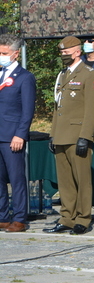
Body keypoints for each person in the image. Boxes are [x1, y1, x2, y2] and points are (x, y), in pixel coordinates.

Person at [43, 37, 94, 235]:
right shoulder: (62, 75)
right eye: (62, 53)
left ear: (77, 52)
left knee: (82, 180)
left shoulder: (89, 74)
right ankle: (67, 217)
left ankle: (83, 219)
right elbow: (57, 107)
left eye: (66, 52)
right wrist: (53, 134)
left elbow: (93, 109)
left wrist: (85, 136)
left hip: (78, 135)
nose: (63, 56)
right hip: (61, 135)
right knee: (65, 181)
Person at [0, 35, 35, 233]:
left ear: (15, 54)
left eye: (4, 54)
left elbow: (27, 110)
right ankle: (3, 216)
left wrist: (20, 134)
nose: (1, 57)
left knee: (16, 179)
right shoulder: (0, 74)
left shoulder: (25, 77)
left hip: (12, 136)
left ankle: (20, 217)